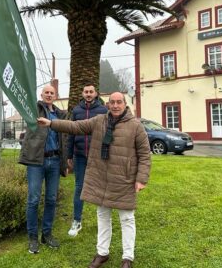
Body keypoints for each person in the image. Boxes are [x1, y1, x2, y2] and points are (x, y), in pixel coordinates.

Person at [37, 92, 151, 268]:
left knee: (127, 219)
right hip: (101, 178)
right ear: (108, 104)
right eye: (112, 102)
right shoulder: (99, 121)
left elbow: (144, 155)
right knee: (102, 216)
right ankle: (102, 253)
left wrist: (141, 178)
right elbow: (76, 126)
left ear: (125, 104)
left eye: (118, 102)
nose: (115, 105)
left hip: (124, 179)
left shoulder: (136, 126)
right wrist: (52, 123)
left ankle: (127, 257)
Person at [19, 84, 67, 254]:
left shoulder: (60, 115)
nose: (49, 95)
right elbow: (24, 100)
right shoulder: (34, 110)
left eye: (52, 93)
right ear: (41, 94)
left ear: (56, 95)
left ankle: (46, 234)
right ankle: (33, 237)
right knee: (33, 199)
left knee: (51, 200)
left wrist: (64, 163)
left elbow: (64, 140)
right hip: (36, 161)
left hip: (54, 161)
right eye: (46, 92)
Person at [66, 84, 108, 237]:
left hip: (98, 156)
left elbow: (107, 133)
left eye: (91, 92)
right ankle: (77, 221)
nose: (88, 94)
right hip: (80, 156)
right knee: (79, 187)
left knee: (101, 187)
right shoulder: (76, 111)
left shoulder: (103, 110)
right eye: (86, 92)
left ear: (96, 93)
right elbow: (71, 133)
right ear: (82, 94)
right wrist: (69, 155)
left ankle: (103, 222)